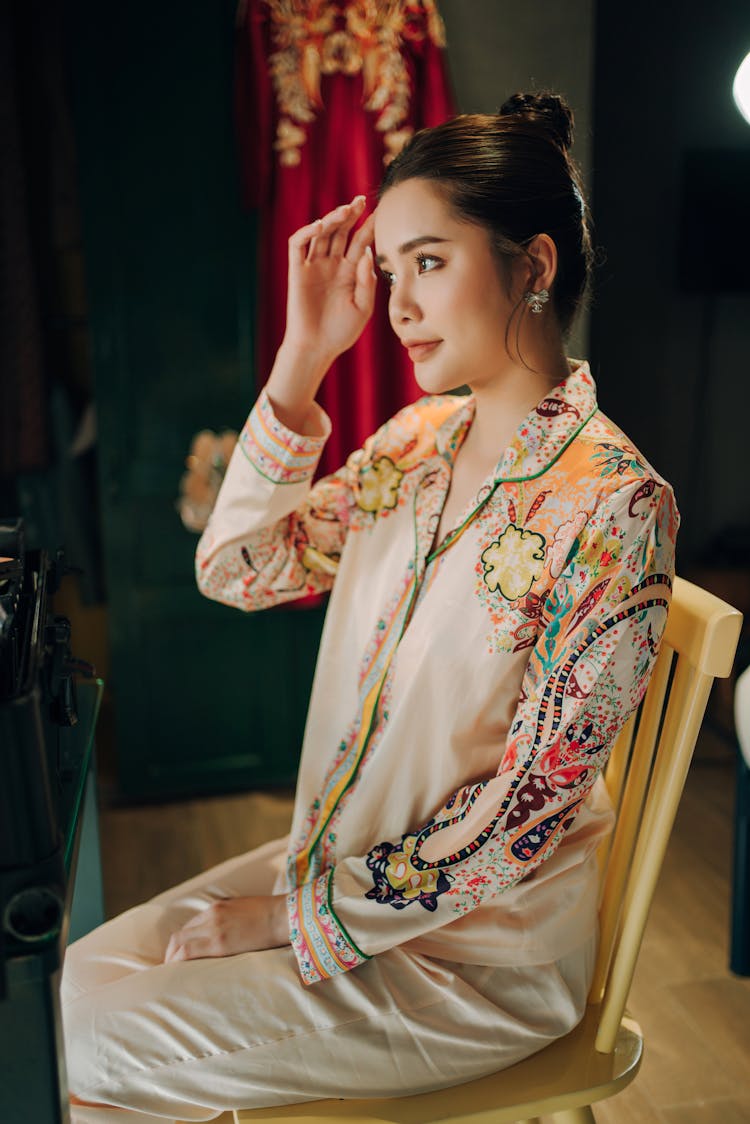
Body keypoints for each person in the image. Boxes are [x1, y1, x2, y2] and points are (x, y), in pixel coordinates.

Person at [61, 92, 679, 1123]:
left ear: (534, 264)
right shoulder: (417, 442)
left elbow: (521, 818)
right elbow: (242, 568)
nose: (395, 307)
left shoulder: (615, 508)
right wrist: (305, 357)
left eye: (428, 262)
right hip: (341, 868)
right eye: (390, 271)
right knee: (58, 996)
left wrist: (285, 919)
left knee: (70, 1048)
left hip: (473, 965)